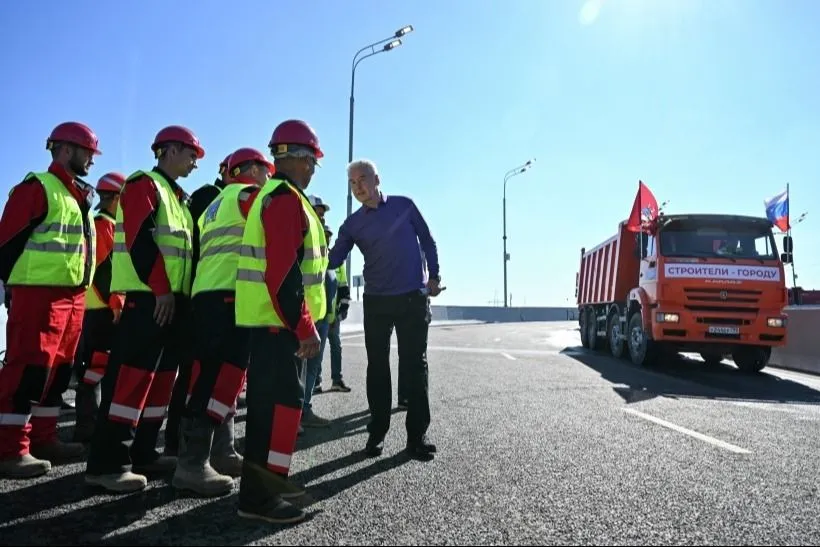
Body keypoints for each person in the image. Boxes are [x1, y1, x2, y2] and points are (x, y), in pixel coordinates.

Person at [85, 125, 202, 493]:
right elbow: (140, 240)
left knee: (160, 383)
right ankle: (107, 464)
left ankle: (144, 452)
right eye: (191, 154)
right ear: (169, 150)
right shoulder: (143, 185)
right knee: (130, 381)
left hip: (171, 303)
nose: (196, 163)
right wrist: (163, 290)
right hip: (150, 300)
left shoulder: (178, 197)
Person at [234, 119, 327, 524]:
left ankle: (264, 491)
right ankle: (261, 499)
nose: (312, 170)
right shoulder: (285, 198)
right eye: (311, 162)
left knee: (273, 413)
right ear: (298, 158)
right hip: (279, 327)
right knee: (276, 414)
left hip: (274, 325)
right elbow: (283, 275)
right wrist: (304, 328)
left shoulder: (277, 196)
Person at [0, 121, 100, 478]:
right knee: (27, 369)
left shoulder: (77, 196)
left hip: (72, 297)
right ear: (66, 149)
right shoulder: (37, 188)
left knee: (57, 374)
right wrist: (11, 289)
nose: (91, 159)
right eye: (87, 151)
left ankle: (44, 438)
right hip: (38, 294)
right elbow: (6, 242)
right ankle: (11, 449)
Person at [172, 147, 273, 497]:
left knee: (212, 377)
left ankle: (220, 451)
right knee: (220, 379)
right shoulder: (250, 197)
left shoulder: (216, 204)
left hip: (208, 296)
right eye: (265, 171)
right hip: (231, 296)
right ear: (250, 171)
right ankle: (192, 464)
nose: (268, 178)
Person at [327, 158, 443, 461]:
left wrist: (434, 276)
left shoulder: (404, 205)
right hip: (377, 301)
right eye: (352, 183)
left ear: (377, 179)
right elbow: (333, 258)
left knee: (415, 365)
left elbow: (428, 241)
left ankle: (417, 437)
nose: (358, 187)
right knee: (377, 367)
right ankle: (376, 434)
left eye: (362, 179)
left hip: (412, 299)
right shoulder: (352, 223)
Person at [164, 153, 230, 457]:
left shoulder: (209, 196)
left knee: (199, 373)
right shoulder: (212, 197)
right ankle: (182, 446)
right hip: (203, 297)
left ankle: (192, 446)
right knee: (196, 374)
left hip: (197, 293)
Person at [72, 172, 127, 443]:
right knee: (96, 367)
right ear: (115, 197)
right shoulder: (104, 225)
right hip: (102, 309)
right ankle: (88, 424)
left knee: (97, 367)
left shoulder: (105, 223)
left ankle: (91, 422)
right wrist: (118, 303)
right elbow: (106, 270)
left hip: (97, 308)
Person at [308, 196, 351, 395]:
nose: (328, 236)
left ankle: (335, 379)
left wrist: (342, 310)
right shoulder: (311, 249)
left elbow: (342, 286)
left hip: (331, 314)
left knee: (334, 346)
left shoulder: (334, 258)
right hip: (314, 313)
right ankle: (315, 383)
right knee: (315, 352)